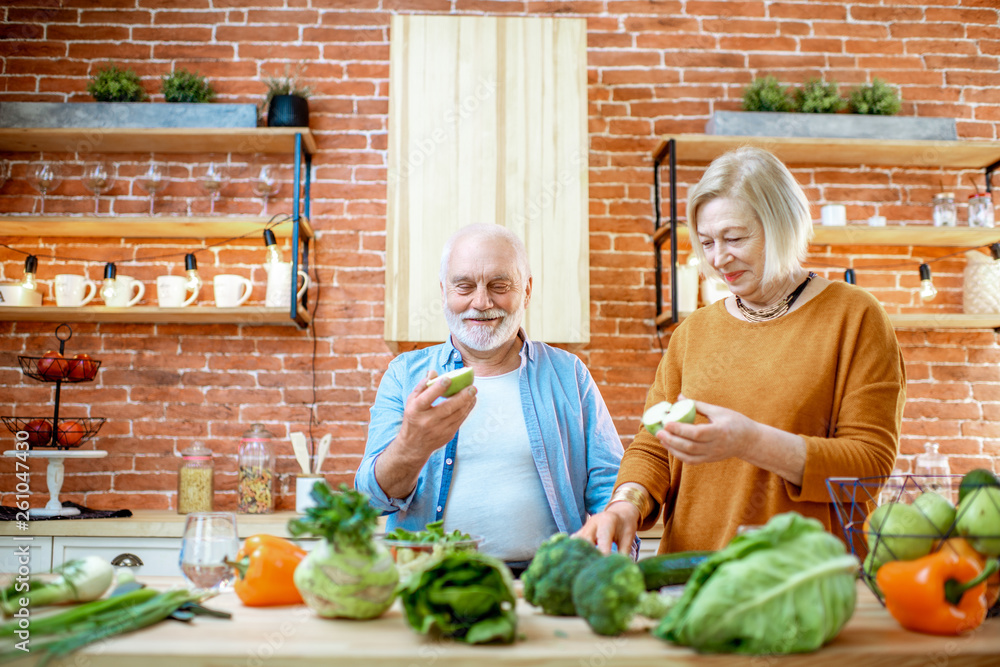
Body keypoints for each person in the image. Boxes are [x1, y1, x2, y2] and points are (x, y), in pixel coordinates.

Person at [576, 146, 906, 556]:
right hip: (689, 580)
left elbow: (869, 466)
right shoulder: (693, 331)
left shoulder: (854, 317)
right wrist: (626, 504)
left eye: (734, 238)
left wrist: (751, 442)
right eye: (707, 242)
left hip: (805, 581)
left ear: (783, 225)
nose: (718, 258)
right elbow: (654, 445)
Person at [356, 223, 623, 570]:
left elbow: (611, 488)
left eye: (499, 286)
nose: (481, 302)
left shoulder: (569, 374)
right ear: (443, 292)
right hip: (430, 577)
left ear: (526, 291)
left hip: (546, 580)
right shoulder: (405, 374)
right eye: (464, 286)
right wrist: (412, 445)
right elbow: (370, 499)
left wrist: (611, 564)